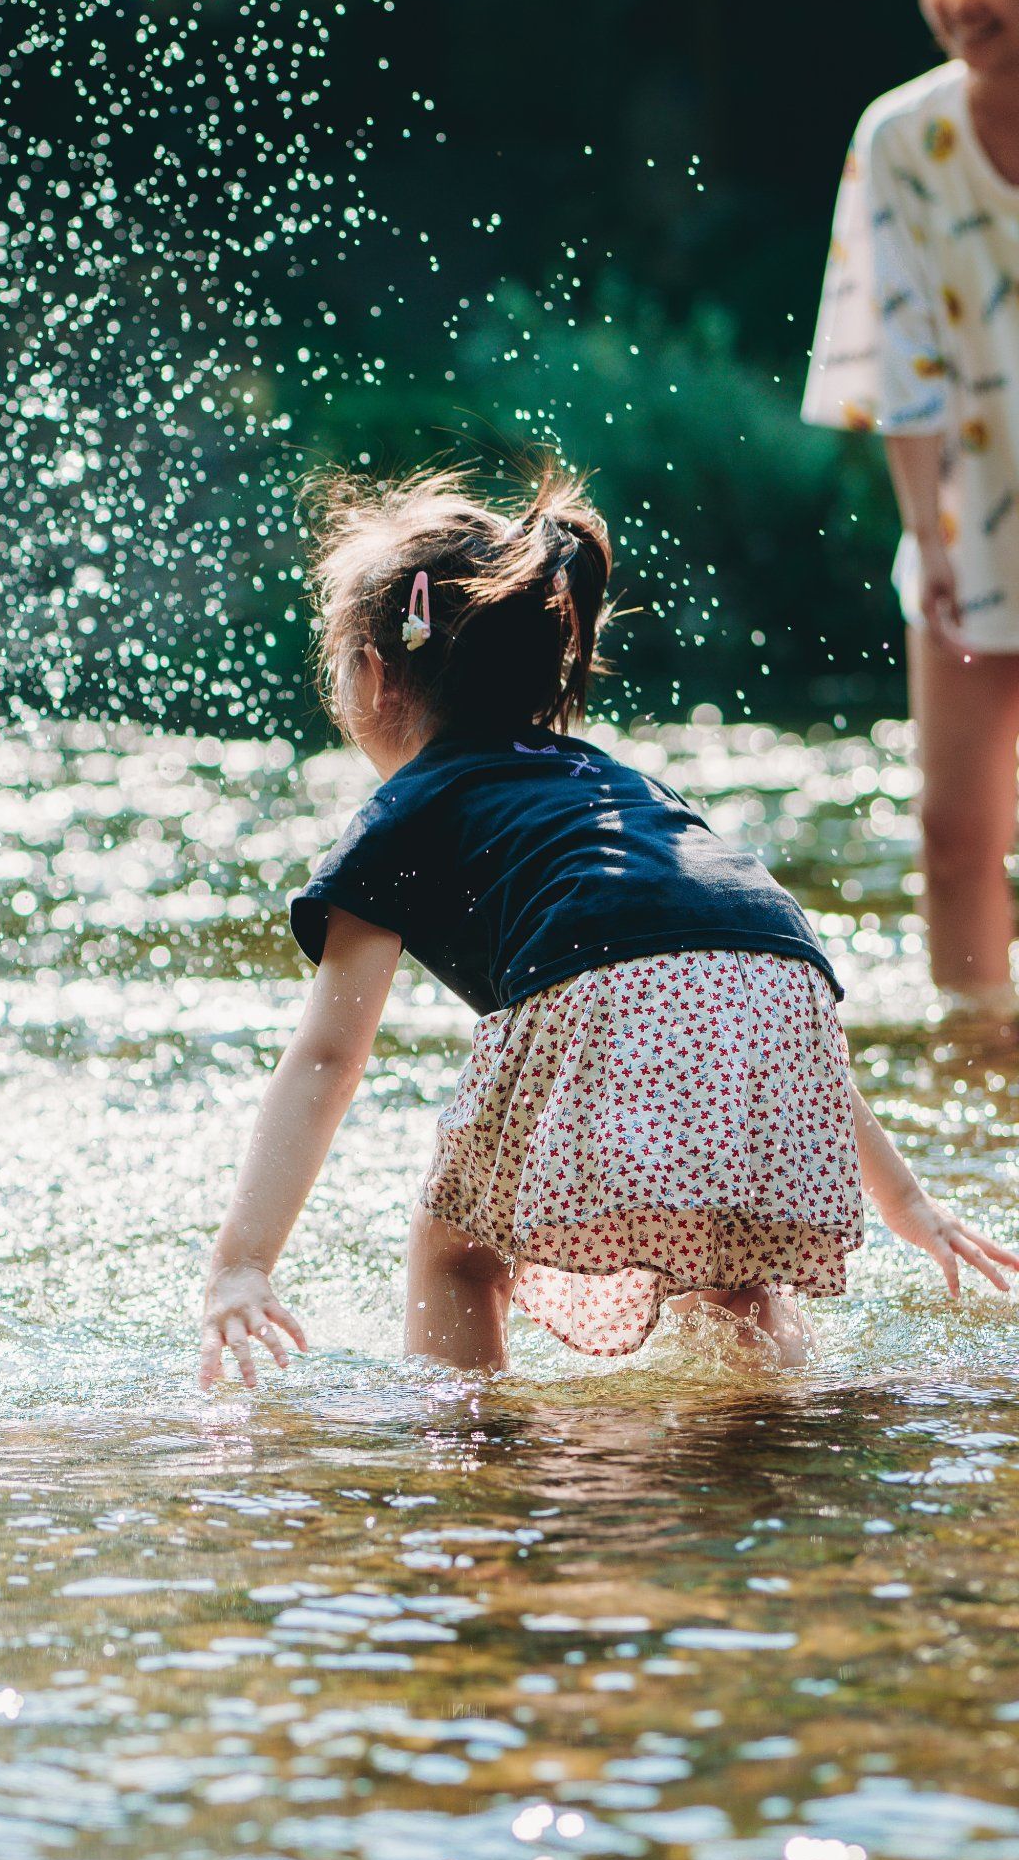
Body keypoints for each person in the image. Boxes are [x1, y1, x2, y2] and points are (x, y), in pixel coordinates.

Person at [198, 467, 1019, 1384]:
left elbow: (327, 1059)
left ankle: (477, 1458)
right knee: (735, 1262)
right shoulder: (616, 785)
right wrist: (906, 1201)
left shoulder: (404, 812)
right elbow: (727, 987)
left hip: (606, 982)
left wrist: (242, 1263)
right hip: (783, 977)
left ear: (371, 676)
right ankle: (776, 1444)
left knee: (460, 1250)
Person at [804, 0, 1019, 1013]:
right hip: (966, 522)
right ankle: (979, 1062)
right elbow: (900, 354)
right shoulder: (899, 137)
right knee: (953, 834)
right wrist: (926, 539)